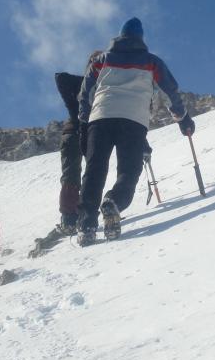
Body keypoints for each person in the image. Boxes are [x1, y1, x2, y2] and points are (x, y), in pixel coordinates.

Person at [77, 17, 194, 246]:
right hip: (133, 121)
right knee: (129, 171)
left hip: (100, 118)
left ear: (119, 37)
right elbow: (170, 91)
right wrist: (182, 118)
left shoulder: (102, 60)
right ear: (141, 39)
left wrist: (84, 119)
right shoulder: (152, 62)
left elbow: (85, 92)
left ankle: (87, 225)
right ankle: (114, 201)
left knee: (94, 170)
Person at [54, 70, 86, 234]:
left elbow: (61, 78)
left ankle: (72, 216)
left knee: (72, 174)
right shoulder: (89, 83)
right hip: (74, 133)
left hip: (76, 133)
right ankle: (70, 217)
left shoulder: (98, 86)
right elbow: (60, 77)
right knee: (74, 174)